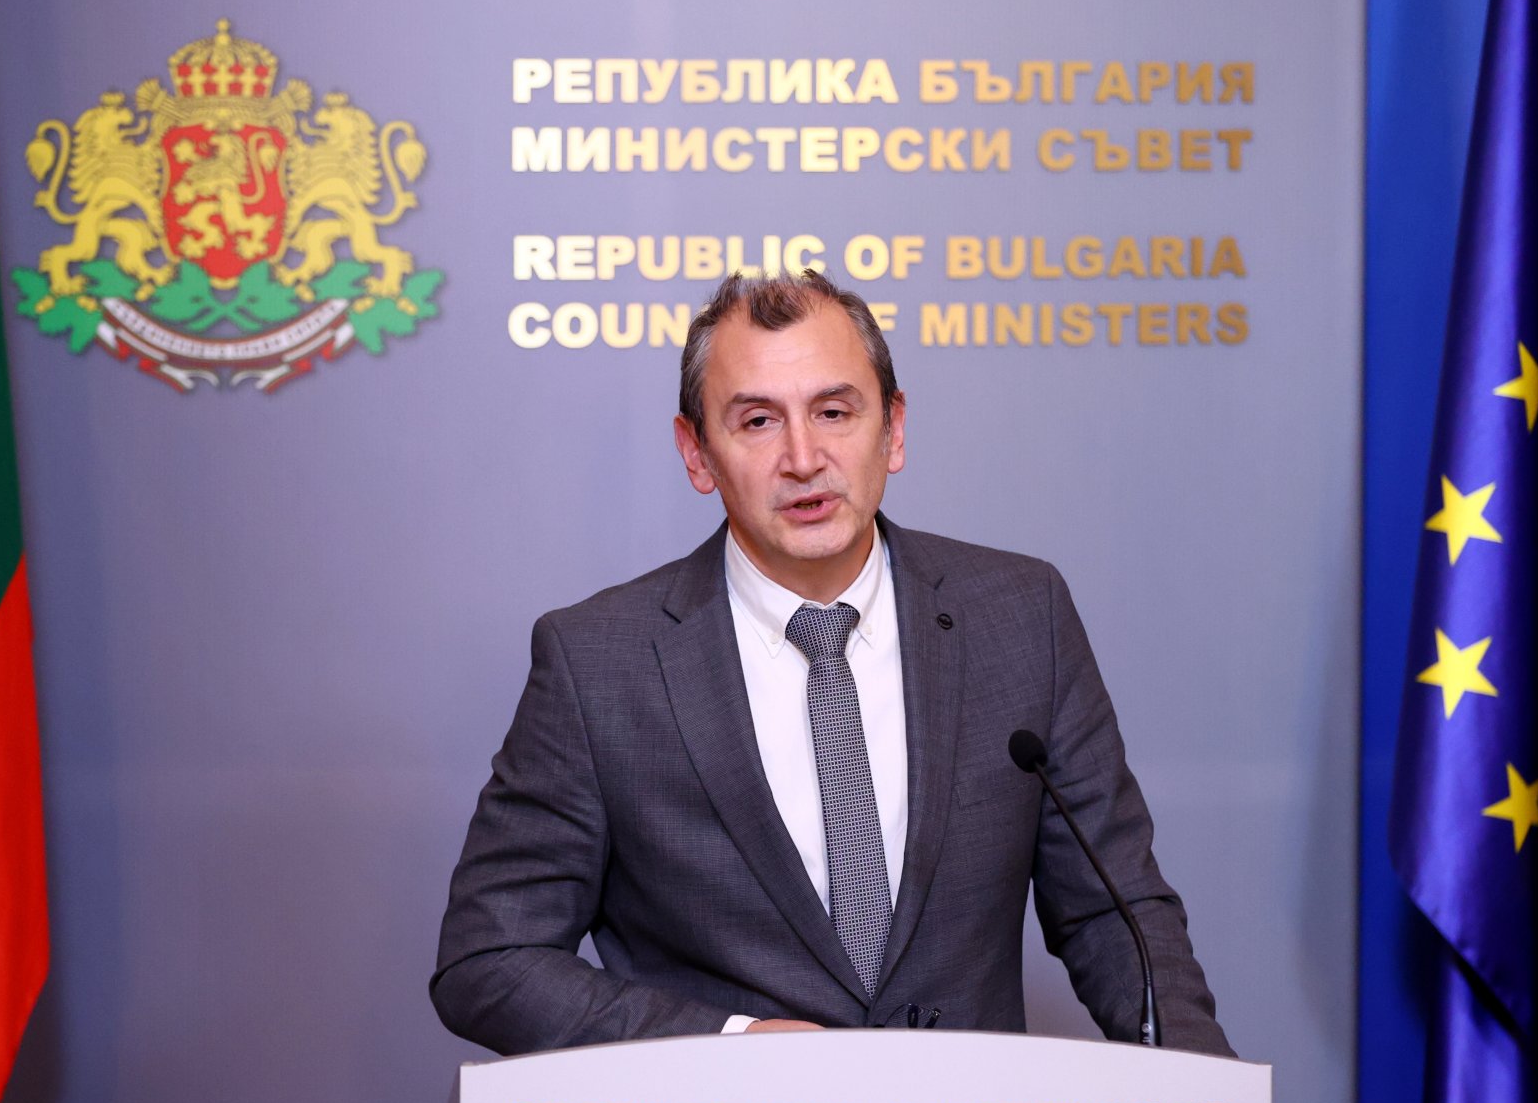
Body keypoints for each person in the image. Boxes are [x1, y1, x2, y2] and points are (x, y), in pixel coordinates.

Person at [431, 270, 1232, 1057]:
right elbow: (490, 958)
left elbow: (1116, 915)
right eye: (757, 421)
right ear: (697, 453)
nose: (804, 456)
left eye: (834, 411)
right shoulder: (598, 663)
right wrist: (728, 1045)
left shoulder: (1022, 617)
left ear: (894, 429)